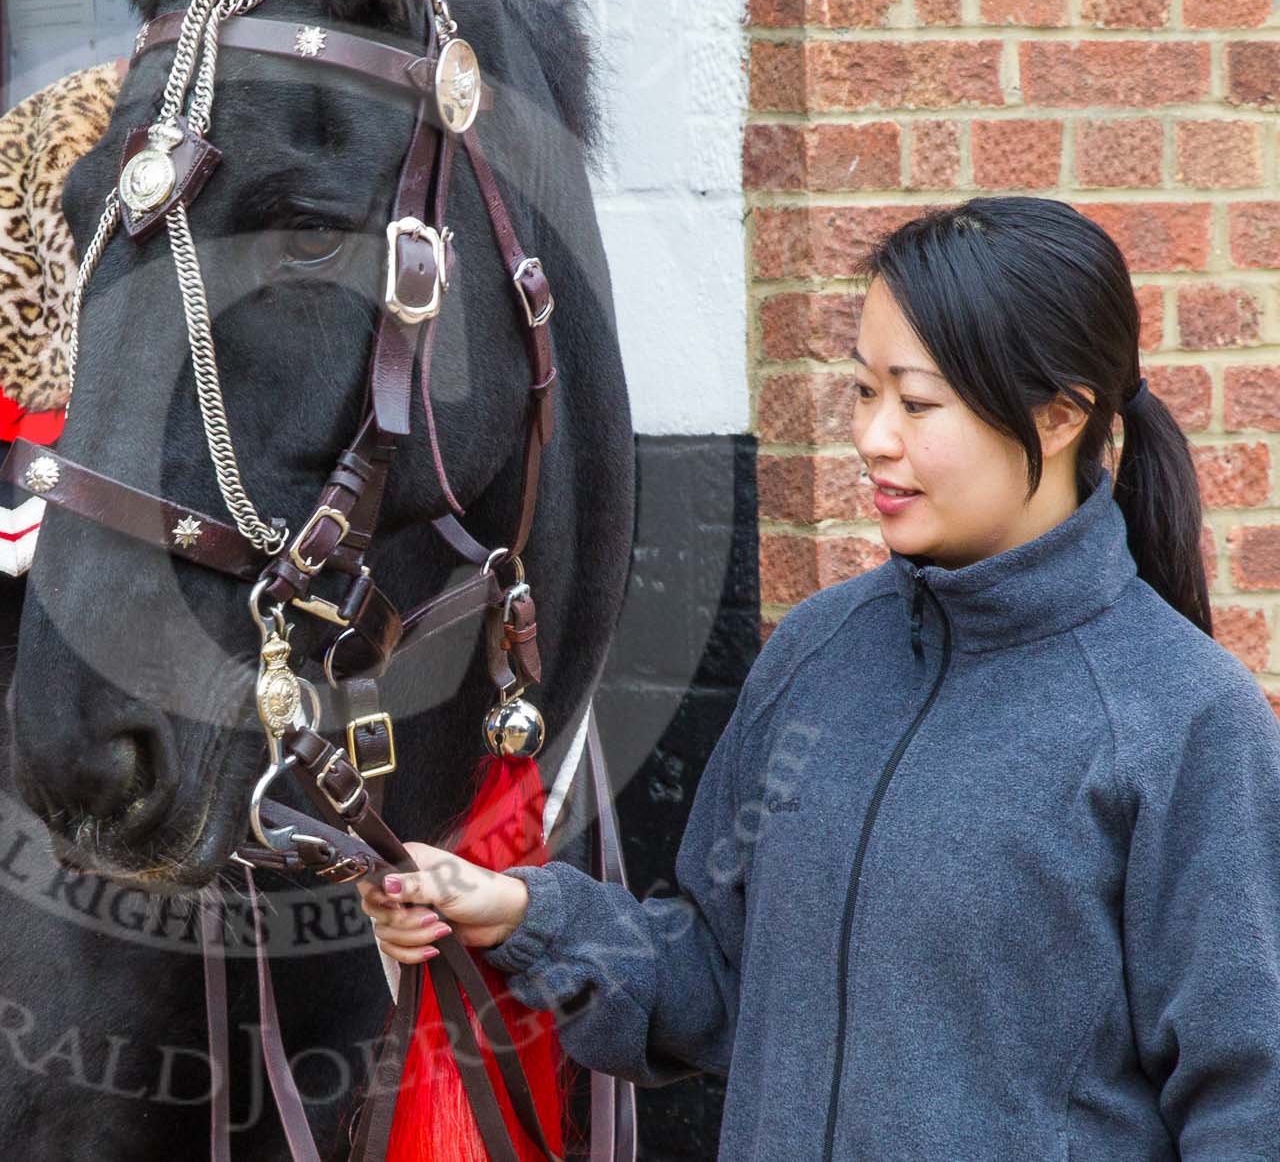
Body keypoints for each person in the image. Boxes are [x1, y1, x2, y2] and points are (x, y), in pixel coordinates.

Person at [359, 197, 1280, 1158]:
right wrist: (515, 911)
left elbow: (1250, 1105)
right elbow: (714, 977)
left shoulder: (1186, 720)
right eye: (864, 390)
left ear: (1058, 418)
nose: (874, 437)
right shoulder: (817, 655)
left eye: (917, 403)